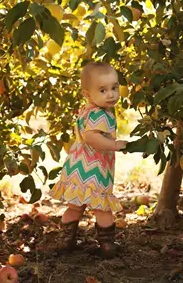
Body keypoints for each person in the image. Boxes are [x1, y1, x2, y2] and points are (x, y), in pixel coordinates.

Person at [49, 61, 128, 258]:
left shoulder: (87, 109)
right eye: (102, 90)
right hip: (94, 168)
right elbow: (92, 137)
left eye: (114, 88)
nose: (110, 94)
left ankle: (65, 242)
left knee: (75, 206)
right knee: (101, 207)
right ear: (87, 94)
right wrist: (114, 145)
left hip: (77, 166)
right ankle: (107, 246)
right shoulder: (101, 114)